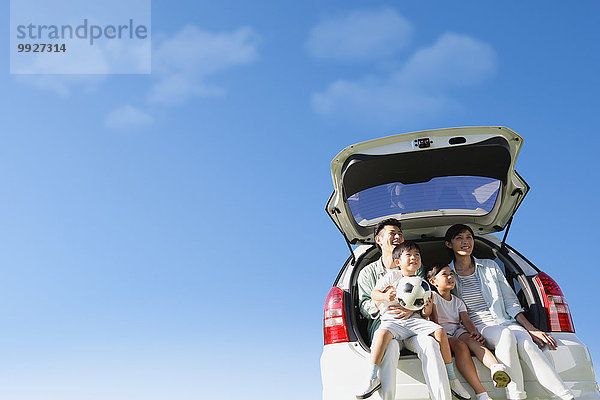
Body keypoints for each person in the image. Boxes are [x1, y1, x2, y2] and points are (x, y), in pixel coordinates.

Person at [445, 224, 575, 400]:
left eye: (469, 237)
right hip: (478, 326)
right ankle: (516, 395)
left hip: (503, 320)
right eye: (459, 238)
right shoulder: (446, 274)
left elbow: (510, 301)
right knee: (506, 335)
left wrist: (530, 328)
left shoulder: (490, 266)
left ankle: (566, 395)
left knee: (527, 343)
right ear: (449, 244)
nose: (465, 242)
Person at [356, 219, 458, 400]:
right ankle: (378, 386)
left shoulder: (415, 269)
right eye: (392, 233)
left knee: (431, 344)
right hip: (386, 325)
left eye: (400, 234)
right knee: (390, 348)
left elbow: (422, 296)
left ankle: (446, 391)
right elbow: (365, 305)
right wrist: (387, 304)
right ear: (379, 239)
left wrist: (411, 308)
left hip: (414, 326)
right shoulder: (367, 273)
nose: (397, 236)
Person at [427, 264, 512, 400]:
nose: (450, 277)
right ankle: (482, 393)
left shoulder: (458, 302)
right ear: (433, 282)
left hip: (457, 330)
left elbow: (466, 320)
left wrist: (474, 332)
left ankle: (495, 367)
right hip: (442, 333)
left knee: (472, 340)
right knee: (460, 346)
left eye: (451, 274)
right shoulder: (432, 297)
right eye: (444, 274)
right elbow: (434, 321)